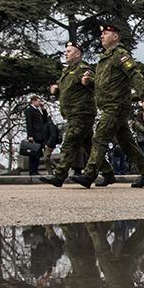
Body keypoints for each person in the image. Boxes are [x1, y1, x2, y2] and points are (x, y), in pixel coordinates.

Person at [70, 24, 144, 189]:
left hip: (116, 105)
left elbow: (134, 74)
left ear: (115, 37)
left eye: (106, 33)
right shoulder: (105, 57)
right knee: (126, 142)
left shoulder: (120, 54)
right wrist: (90, 82)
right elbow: (106, 83)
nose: (102, 36)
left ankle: (90, 174)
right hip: (110, 105)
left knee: (99, 137)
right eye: (101, 34)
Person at [40, 41, 96, 187]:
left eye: (69, 51)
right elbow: (65, 90)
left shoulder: (82, 69)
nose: (66, 53)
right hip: (72, 114)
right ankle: (108, 173)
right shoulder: (66, 72)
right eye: (66, 51)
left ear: (78, 54)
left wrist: (87, 82)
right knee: (89, 145)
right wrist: (55, 89)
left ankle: (59, 175)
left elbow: (96, 82)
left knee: (69, 143)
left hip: (81, 113)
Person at [24, 95, 49, 175]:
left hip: (40, 135)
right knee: (33, 153)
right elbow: (29, 124)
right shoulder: (29, 110)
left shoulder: (38, 111)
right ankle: (32, 170)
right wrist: (30, 135)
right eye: (38, 101)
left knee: (38, 153)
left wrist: (43, 110)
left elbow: (45, 120)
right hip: (34, 134)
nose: (39, 103)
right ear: (33, 101)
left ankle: (35, 169)